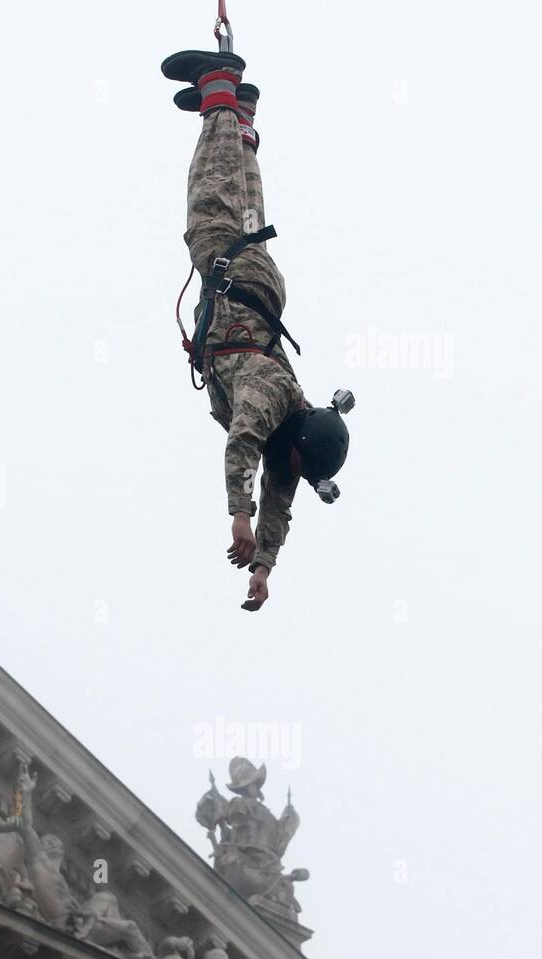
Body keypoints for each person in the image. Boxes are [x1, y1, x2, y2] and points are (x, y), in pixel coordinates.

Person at [163, 49, 353, 610]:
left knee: (244, 204)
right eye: (292, 464)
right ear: (299, 441)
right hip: (236, 277)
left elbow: (279, 506)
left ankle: (239, 117)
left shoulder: (288, 448)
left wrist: (265, 567)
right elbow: (241, 442)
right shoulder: (271, 401)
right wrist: (237, 518)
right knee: (210, 202)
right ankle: (217, 88)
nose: (286, 472)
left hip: (256, 288)